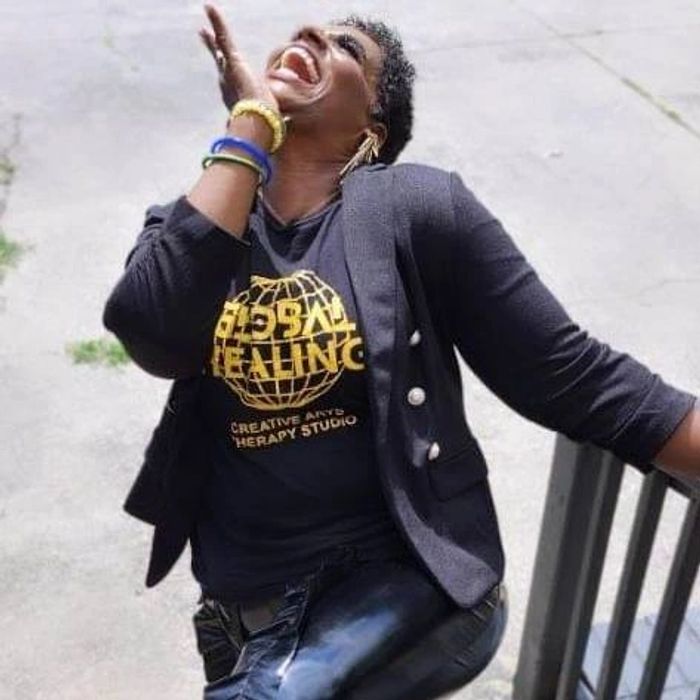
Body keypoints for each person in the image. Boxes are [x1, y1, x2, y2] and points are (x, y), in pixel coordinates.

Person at [102, 4, 700, 698]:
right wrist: (250, 130)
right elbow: (150, 332)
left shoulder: (416, 208)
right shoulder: (198, 224)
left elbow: (574, 377)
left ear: (371, 132)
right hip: (246, 618)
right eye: (303, 31)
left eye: (346, 46)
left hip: (407, 585)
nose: (309, 34)